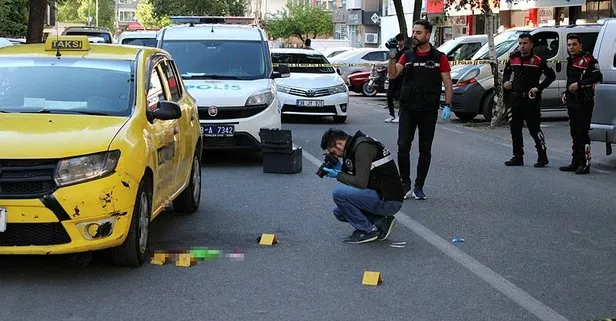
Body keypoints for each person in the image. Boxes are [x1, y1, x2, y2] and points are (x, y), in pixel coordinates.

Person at [387, 19, 454, 200]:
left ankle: (419, 186)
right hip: (408, 108)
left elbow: (448, 83)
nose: (414, 36)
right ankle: (405, 184)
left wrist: (448, 105)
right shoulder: (407, 56)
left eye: (418, 32)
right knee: (403, 146)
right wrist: (392, 57)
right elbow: (393, 75)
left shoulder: (439, 57)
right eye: (413, 32)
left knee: (425, 149)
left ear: (427, 34)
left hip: (428, 110)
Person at [320, 128, 404, 244]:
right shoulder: (354, 146)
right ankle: (380, 222)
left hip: (389, 200)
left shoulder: (362, 147)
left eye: (333, 152)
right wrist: (340, 169)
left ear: (339, 144)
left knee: (338, 194)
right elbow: (357, 178)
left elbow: (360, 183)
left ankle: (368, 231)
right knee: (340, 212)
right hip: (380, 194)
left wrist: (338, 175)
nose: (335, 156)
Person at [502, 33, 556, 167]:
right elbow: (506, 73)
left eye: (525, 43)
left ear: (531, 45)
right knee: (515, 129)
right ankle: (517, 156)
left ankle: (542, 156)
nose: (522, 46)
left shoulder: (538, 60)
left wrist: (539, 88)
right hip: (515, 99)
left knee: (534, 129)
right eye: (520, 43)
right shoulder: (513, 58)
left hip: (531, 100)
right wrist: (506, 82)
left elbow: (551, 76)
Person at [559, 34, 603, 174]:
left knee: (582, 132)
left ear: (580, 45)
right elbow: (569, 80)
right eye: (569, 45)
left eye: (574, 44)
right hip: (573, 101)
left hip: (584, 101)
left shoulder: (589, 60)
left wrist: (579, 84)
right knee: (574, 132)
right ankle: (575, 161)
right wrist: (566, 93)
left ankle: (585, 163)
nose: (571, 47)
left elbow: (597, 77)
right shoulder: (571, 60)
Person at [384, 33, 410, 123]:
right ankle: (391, 115)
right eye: (397, 41)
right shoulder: (395, 50)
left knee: (400, 96)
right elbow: (391, 61)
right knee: (389, 95)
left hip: (402, 77)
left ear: (403, 41)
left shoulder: (407, 51)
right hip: (393, 77)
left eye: (400, 40)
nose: (399, 43)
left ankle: (400, 115)